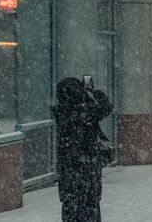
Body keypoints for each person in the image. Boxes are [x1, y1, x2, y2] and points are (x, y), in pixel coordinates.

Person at [52, 76, 113, 222]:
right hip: (88, 175)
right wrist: (94, 91)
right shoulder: (85, 112)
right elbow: (106, 107)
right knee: (90, 211)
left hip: (69, 178)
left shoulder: (61, 112)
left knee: (70, 212)